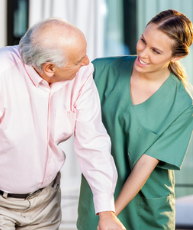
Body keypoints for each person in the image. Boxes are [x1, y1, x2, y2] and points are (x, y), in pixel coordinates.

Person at [0, 18, 126, 230]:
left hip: (46, 202)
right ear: (50, 68)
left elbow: (93, 144)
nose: (87, 62)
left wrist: (106, 212)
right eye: (79, 59)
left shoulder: (81, 75)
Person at [77, 9, 193, 230]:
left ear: (176, 57)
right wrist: (104, 214)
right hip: (99, 201)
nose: (143, 53)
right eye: (143, 41)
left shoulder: (182, 104)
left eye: (156, 51)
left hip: (147, 210)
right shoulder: (100, 71)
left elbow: (145, 165)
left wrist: (110, 215)